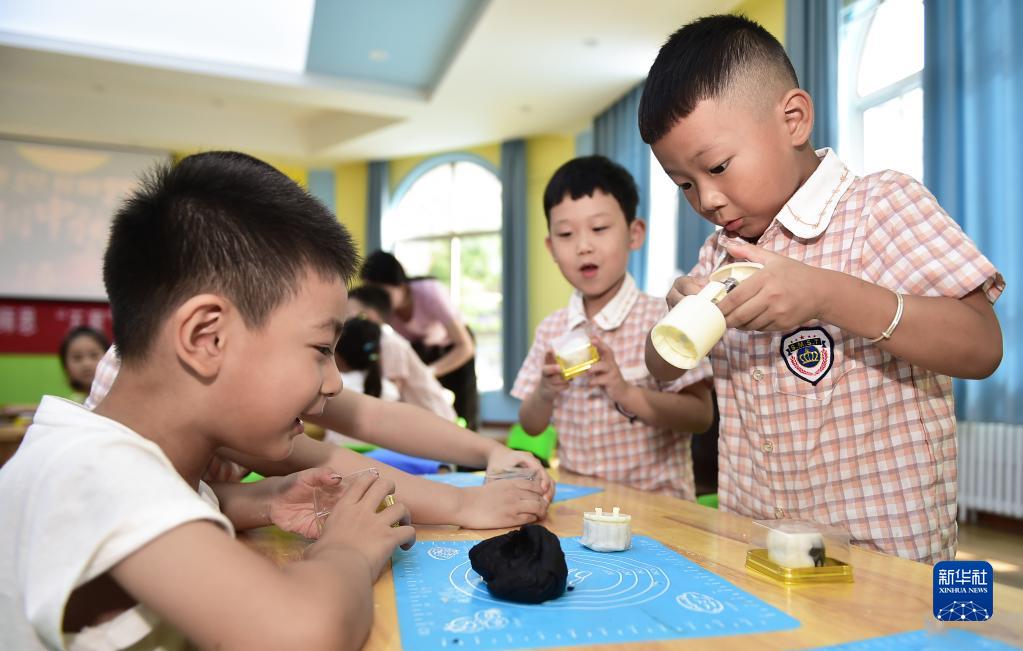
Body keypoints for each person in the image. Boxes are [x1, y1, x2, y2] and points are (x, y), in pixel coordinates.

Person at [0, 151, 415, 650]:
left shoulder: (138, 467)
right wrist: (347, 549)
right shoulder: (93, 470)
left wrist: (264, 500)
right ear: (206, 337)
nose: (333, 383)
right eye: (321, 349)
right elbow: (301, 633)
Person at [640, 15, 1004, 563]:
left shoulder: (880, 207)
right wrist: (676, 322)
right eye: (685, 184)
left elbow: (981, 345)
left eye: (718, 166)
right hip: (757, 547)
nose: (707, 199)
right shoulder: (720, 255)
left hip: (881, 560)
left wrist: (825, 296)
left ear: (794, 119)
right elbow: (663, 371)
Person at [86, 343, 554, 528]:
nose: (333, 380)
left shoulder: (242, 362)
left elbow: (374, 416)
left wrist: (488, 449)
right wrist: (463, 505)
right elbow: (321, 462)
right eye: (318, 349)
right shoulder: (189, 385)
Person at [513, 155, 714, 499]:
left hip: (657, 507)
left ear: (634, 234)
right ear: (551, 247)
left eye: (599, 228)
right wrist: (544, 392)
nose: (583, 246)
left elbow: (700, 415)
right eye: (566, 234)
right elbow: (531, 426)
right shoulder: (552, 329)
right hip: (578, 502)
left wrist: (625, 392)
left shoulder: (663, 318)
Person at [360, 250, 480, 430]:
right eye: (371, 294)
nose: (377, 300)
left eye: (381, 293)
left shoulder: (429, 292)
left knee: (464, 409)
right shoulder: (383, 309)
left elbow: (465, 346)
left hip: (454, 348)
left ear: (400, 285)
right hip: (421, 348)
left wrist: (429, 372)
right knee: (419, 401)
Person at [348, 284, 457, 421]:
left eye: (350, 315)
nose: (347, 322)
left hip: (435, 420)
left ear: (372, 315)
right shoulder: (376, 343)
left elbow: (390, 394)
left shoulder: (389, 343)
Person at [57, 325, 109, 402]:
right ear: (65, 365)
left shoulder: (121, 400)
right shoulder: (70, 404)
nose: (86, 364)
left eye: (94, 355)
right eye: (77, 357)